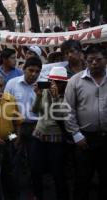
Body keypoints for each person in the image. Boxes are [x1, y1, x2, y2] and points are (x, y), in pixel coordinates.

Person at [65, 44, 107, 200]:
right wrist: (76, 134)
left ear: (106, 59)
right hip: (85, 139)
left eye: (98, 60)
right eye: (90, 60)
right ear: (85, 60)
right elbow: (68, 109)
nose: (94, 63)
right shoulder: (75, 81)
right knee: (82, 180)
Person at [31, 67, 70, 200]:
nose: (53, 84)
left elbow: (60, 116)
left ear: (64, 83)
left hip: (56, 138)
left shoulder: (68, 94)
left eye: (57, 82)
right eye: (51, 81)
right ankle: (38, 195)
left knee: (58, 172)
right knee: (36, 170)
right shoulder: (45, 92)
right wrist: (38, 95)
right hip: (39, 135)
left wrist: (55, 98)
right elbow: (35, 110)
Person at [5, 56, 42, 138]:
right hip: (14, 126)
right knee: (15, 149)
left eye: (37, 71)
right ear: (24, 69)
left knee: (33, 150)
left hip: (36, 127)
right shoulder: (11, 83)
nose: (33, 74)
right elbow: (5, 106)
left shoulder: (42, 88)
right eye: (31, 70)